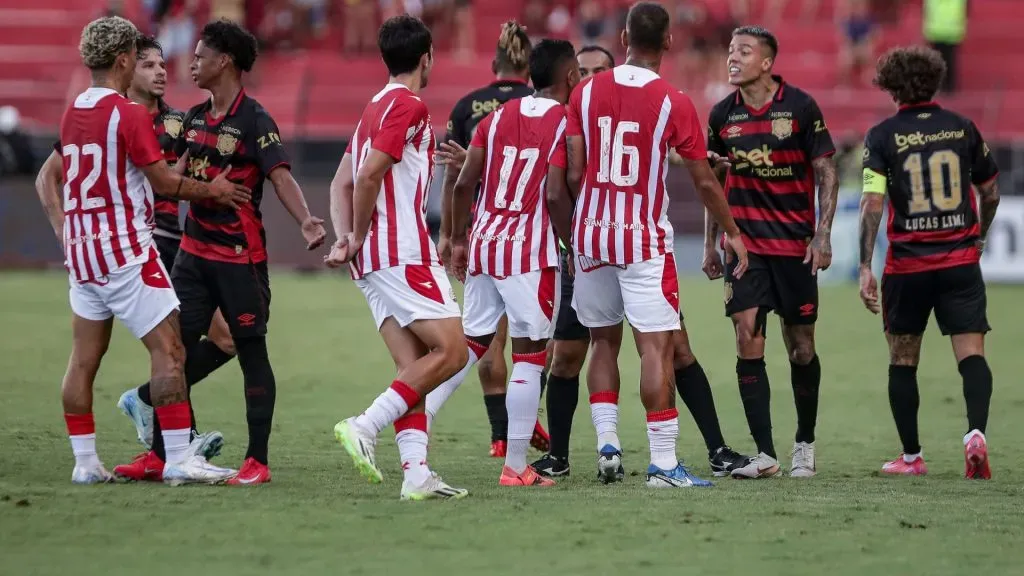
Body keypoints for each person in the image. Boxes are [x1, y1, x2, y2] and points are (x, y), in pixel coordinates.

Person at [116, 18, 327, 486]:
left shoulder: (255, 120)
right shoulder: (192, 119)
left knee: (251, 352)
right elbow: (174, 181)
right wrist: (200, 191)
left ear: (224, 61)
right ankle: (160, 454)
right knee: (172, 352)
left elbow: (280, 176)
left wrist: (307, 219)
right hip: (192, 256)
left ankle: (257, 462)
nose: (190, 64)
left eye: (199, 57)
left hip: (239, 259)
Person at [40, 16, 248, 485]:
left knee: (82, 360)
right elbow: (165, 183)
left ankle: (85, 463)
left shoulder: (74, 110)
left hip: (83, 255)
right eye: (137, 54)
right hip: (126, 251)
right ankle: (177, 456)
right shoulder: (129, 114)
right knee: (171, 350)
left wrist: (64, 229)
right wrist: (213, 191)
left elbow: (57, 174)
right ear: (122, 60)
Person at [531, 44, 751, 479]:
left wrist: (576, 232)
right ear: (668, 40)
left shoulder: (583, 100)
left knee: (602, 344)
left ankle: (606, 444)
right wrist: (732, 232)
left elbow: (569, 179)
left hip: (589, 237)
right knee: (657, 348)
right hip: (640, 241)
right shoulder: (668, 99)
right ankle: (664, 462)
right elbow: (697, 175)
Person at [419, 38, 580, 487]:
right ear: (570, 77)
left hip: (487, 243)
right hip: (529, 252)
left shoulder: (494, 119)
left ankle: (417, 422)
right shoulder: (566, 121)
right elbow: (554, 191)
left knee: (470, 347)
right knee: (530, 354)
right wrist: (570, 244)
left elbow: (462, 182)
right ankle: (515, 466)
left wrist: (457, 238)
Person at [327, 14, 470, 501]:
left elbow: (340, 181)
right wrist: (362, 233)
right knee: (451, 351)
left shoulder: (373, 108)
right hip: (401, 252)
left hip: (374, 260)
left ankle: (415, 474)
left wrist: (346, 239)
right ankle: (364, 425)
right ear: (426, 57)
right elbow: (366, 177)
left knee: (414, 367)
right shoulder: (410, 106)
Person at [703, 26, 839, 479]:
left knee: (801, 349)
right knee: (747, 336)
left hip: (794, 247)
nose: (733, 58)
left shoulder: (800, 108)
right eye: (729, 50)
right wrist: (711, 243)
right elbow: (712, 183)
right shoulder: (722, 115)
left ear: (767, 63)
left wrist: (822, 234)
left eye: (744, 51)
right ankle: (765, 453)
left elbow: (825, 170)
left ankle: (804, 442)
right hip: (746, 247)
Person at [858, 46, 999, 479]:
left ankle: (911, 457)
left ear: (890, 86)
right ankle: (975, 433)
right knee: (971, 354)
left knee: (903, 360)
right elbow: (990, 192)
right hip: (959, 261)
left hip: (908, 266)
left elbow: (872, 204)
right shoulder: (963, 128)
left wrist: (865, 264)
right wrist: (979, 236)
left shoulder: (882, 136)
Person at [436, 20, 549, 459]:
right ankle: (524, 420)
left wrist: (450, 235)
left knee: (485, 338)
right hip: (530, 235)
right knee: (536, 337)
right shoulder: (539, 104)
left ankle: (501, 434)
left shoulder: (467, 107)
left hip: (481, 232)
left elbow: (454, 178)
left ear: (493, 62)